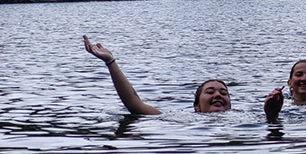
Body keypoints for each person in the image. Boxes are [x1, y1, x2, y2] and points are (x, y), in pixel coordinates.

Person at [83, 35, 231, 114]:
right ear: (197, 107)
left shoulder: (244, 119)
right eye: (210, 92)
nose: (218, 95)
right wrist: (110, 62)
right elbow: (135, 105)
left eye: (223, 93)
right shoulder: (185, 121)